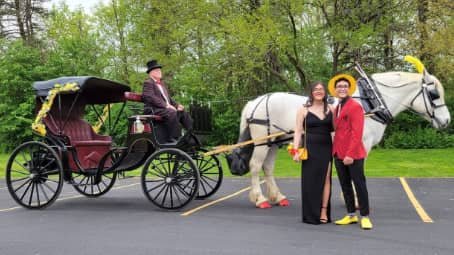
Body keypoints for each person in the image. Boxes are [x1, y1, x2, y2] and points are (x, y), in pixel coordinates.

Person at [328, 74, 373, 230]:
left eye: (345, 87)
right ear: (335, 90)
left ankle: (365, 216)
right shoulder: (337, 107)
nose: (342, 89)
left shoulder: (355, 106)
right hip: (338, 153)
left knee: (359, 185)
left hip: (353, 154)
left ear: (349, 89)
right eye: (339, 86)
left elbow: (357, 133)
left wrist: (350, 154)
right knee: (345, 185)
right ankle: (351, 215)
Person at [292, 82, 334, 224]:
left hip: (327, 147)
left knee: (326, 178)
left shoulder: (332, 109)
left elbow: (336, 132)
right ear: (311, 92)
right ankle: (310, 212)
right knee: (310, 180)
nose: (318, 91)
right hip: (310, 148)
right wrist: (295, 151)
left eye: (321, 89)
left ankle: (323, 211)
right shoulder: (303, 110)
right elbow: (298, 131)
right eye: (315, 89)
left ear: (325, 92)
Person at [142, 59, 193, 141]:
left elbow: (169, 99)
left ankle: (191, 134)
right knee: (172, 112)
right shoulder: (148, 83)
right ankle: (174, 138)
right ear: (151, 73)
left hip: (162, 109)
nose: (160, 72)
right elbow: (150, 97)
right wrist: (166, 106)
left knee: (183, 112)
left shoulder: (162, 85)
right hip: (153, 109)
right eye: (157, 70)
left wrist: (177, 106)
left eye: (160, 70)